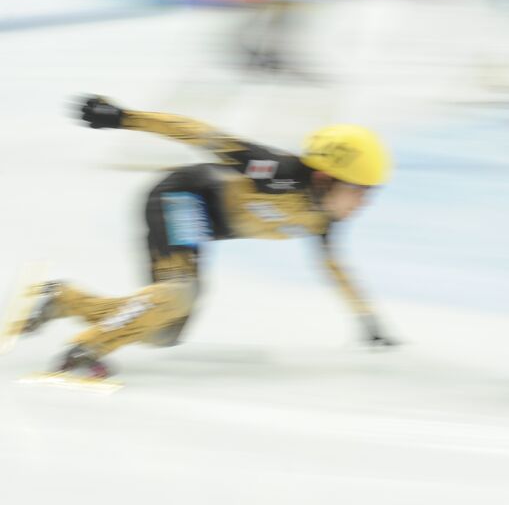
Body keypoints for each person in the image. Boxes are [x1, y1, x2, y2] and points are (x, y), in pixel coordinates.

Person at [7, 96, 395, 380]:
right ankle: (86, 349)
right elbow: (201, 135)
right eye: (360, 190)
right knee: (180, 293)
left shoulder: (325, 218)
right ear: (326, 178)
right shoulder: (278, 171)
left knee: (163, 331)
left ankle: (60, 299)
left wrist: (368, 319)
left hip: (200, 225)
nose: (364, 203)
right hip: (180, 196)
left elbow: (334, 266)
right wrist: (125, 118)